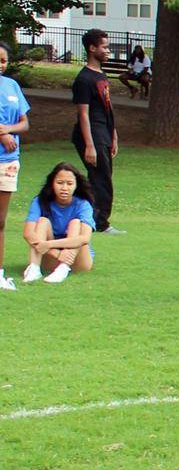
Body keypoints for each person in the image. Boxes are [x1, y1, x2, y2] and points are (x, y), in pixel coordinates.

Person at [71, 28, 123, 235]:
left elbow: (107, 107)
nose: (108, 51)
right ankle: (99, 223)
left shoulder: (101, 75)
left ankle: (89, 220)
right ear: (92, 48)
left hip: (104, 133)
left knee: (101, 178)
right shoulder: (84, 79)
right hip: (92, 135)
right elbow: (83, 114)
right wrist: (90, 146)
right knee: (101, 180)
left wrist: (114, 135)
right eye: (105, 47)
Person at [22, 162, 95, 284]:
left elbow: (85, 238)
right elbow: (28, 233)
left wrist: (49, 244)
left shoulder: (83, 204)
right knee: (42, 221)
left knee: (76, 223)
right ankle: (34, 269)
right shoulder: (39, 201)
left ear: (76, 185)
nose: (64, 188)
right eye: (60, 183)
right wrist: (55, 252)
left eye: (70, 183)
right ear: (52, 183)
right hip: (50, 258)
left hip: (77, 260)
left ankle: (63, 269)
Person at [0, 41, 30, 290]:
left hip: (8, 161)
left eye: (3, 60)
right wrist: (2, 135)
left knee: (0, 221)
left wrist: (9, 130)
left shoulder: (12, 86)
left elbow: (24, 123)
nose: (0, 64)